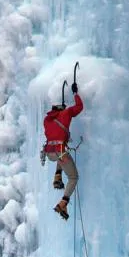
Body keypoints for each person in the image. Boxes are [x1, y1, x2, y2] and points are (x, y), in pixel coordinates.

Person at [42, 82, 83, 220]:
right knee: (73, 177)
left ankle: (57, 176)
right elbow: (79, 107)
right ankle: (63, 203)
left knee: (61, 153)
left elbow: (55, 133)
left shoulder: (47, 120)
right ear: (62, 109)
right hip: (60, 153)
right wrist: (75, 93)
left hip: (50, 153)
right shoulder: (66, 113)